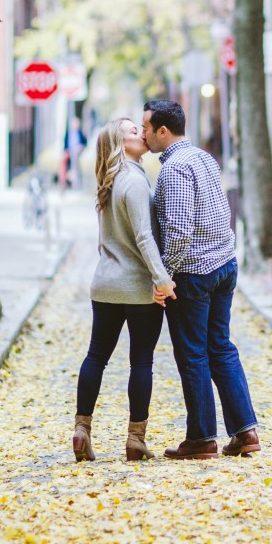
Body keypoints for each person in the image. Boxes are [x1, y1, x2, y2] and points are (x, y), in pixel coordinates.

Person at [141, 99, 261, 460]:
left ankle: (201, 438)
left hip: (193, 272)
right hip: (223, 263)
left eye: (146, 128)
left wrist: (164, 276)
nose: (144, 134)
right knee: (220, 347)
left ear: (163, 131)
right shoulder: (204, 158)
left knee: (193, 354)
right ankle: (246, 431)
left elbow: (179, 231)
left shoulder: (174, 168)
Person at [73, 117, 176, 463]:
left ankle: (81, 430)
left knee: (96, 357)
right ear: (119, 144)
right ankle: (135, 439)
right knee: (141, 361)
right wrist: (161, 278)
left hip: (105, 284)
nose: (142, 133)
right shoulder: (134, 181)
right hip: (137, 288)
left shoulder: (109, 180)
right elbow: (145, 237)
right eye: (133, 131)